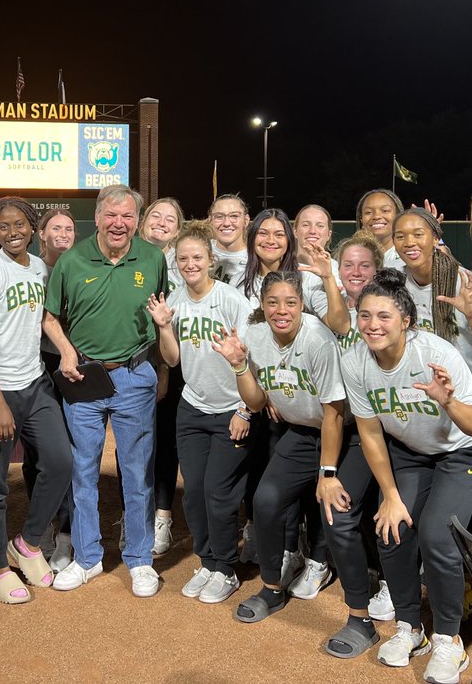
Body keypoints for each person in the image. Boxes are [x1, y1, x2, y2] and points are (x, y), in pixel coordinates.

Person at [339, 269, 472, 683]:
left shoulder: (435, 354)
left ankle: (449, 640)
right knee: (390, 527)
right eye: (366, 315)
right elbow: (371, 433)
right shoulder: (355, 360)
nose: (373, 325)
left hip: (466, 451)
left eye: (384, 316)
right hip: (412, 453)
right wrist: (390, 495)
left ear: (406, 321)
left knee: (435, 534)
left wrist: (448, 402)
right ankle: (411, 629)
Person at [44, 185, 168, 597]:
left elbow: (161, 315)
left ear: (137, 220)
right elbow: (50, 318)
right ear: (96, 218)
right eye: (111, 215)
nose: (119, 224)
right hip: (85, 377)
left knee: (136, 471)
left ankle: (139, 559)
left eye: (128, 216)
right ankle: (87, 557)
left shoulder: (152, 257)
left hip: (135, 374)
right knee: (83, 470)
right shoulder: (72, 260)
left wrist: (161, 369)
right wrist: (64, 351)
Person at [207, 271, 346, 622]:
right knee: (265, 500)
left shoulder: (318, 340)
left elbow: (334, 414)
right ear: (263, 305)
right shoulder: (255, 335)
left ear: (301, 305)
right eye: (272, 302)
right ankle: (271, 588)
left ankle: (330, 569)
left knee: (334, 505)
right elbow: (255, 403)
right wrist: (240, 366)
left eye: (290, 302)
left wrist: (327, 472)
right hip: (299, 433)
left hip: (343, 434)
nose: (281, 310)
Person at [393, 208, 472, 572]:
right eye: (402, 236)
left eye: (419, 233)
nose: (410, 242)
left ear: (436, 237)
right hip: (430, 403)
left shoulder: (462, 280)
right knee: (460, 514)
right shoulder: (397, 285)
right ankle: (470, 589)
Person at [0, 198, 73, 604]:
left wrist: (64, 350)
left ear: (33, 227)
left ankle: (27, 544)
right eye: (4, 226)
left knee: (60, 462)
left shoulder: (40, 267)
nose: (13, 232)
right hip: (0, 389)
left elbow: (46, 317)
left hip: (35, 383)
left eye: (20, 225)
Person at [147, 221, 253, 603]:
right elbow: (173, 359)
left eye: (197, 257)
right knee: (193, 493)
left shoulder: (231, 300)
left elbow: (251, 357)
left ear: (211, 260)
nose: (190, 264)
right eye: (183, 259)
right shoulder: (174, 299)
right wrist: (163, 326)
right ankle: (208, 562)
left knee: (218, 492)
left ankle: (226, 568)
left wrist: (246, 409)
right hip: (192, 408)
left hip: (231, 410)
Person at [238, 207, 340, 577]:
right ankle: (282, 548)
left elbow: (336, 324)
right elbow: (253, 351)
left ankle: (317, 555)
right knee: (268, 482)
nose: (270, 240)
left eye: (279, 234)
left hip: (316, 404)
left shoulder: (308, 280)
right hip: (272, 401)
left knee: (321, 487)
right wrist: (269, 392)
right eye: (263, 233)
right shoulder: (240, 281)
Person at [24, 208, 77, 572]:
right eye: (55, 227)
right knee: (36, 454)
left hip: (73, 368)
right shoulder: (29, 267)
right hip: (38, 366)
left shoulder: (80, 264)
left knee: (72, 449)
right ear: (41, 233)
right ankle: (40, 524)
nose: (63, 233)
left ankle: (68, 534)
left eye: (69, 228)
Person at [138, 196, 184, 555]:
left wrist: (164, 369)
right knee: (134, 443)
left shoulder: (181, 263)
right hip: (132, 364)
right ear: (143, 221)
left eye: (171, 219)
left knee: (165, 440)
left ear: (178, 229)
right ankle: (134, 516)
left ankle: (162, 517)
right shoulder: (126, 252)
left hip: (169, 362)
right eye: (156, 215)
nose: (162, 222)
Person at [356, 189, 406, 270]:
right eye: (368, 212)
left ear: (398, 215)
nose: (376, 216)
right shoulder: (352, 255)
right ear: (361, 219)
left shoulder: (408, 254)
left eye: (385, 210)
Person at [208, 193, 250, 284]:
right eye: (219, 216)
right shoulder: (200, 250)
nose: (226, 223)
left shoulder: (254, 258)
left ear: (246, 221)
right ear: (210, 221)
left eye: (234, 216)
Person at [294, 203, 333, 269]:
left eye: (320, 226)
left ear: (329, 235)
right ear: (295, 232)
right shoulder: (281, 268)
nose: (312, 231)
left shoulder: (339, 270)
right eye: (306, 225)